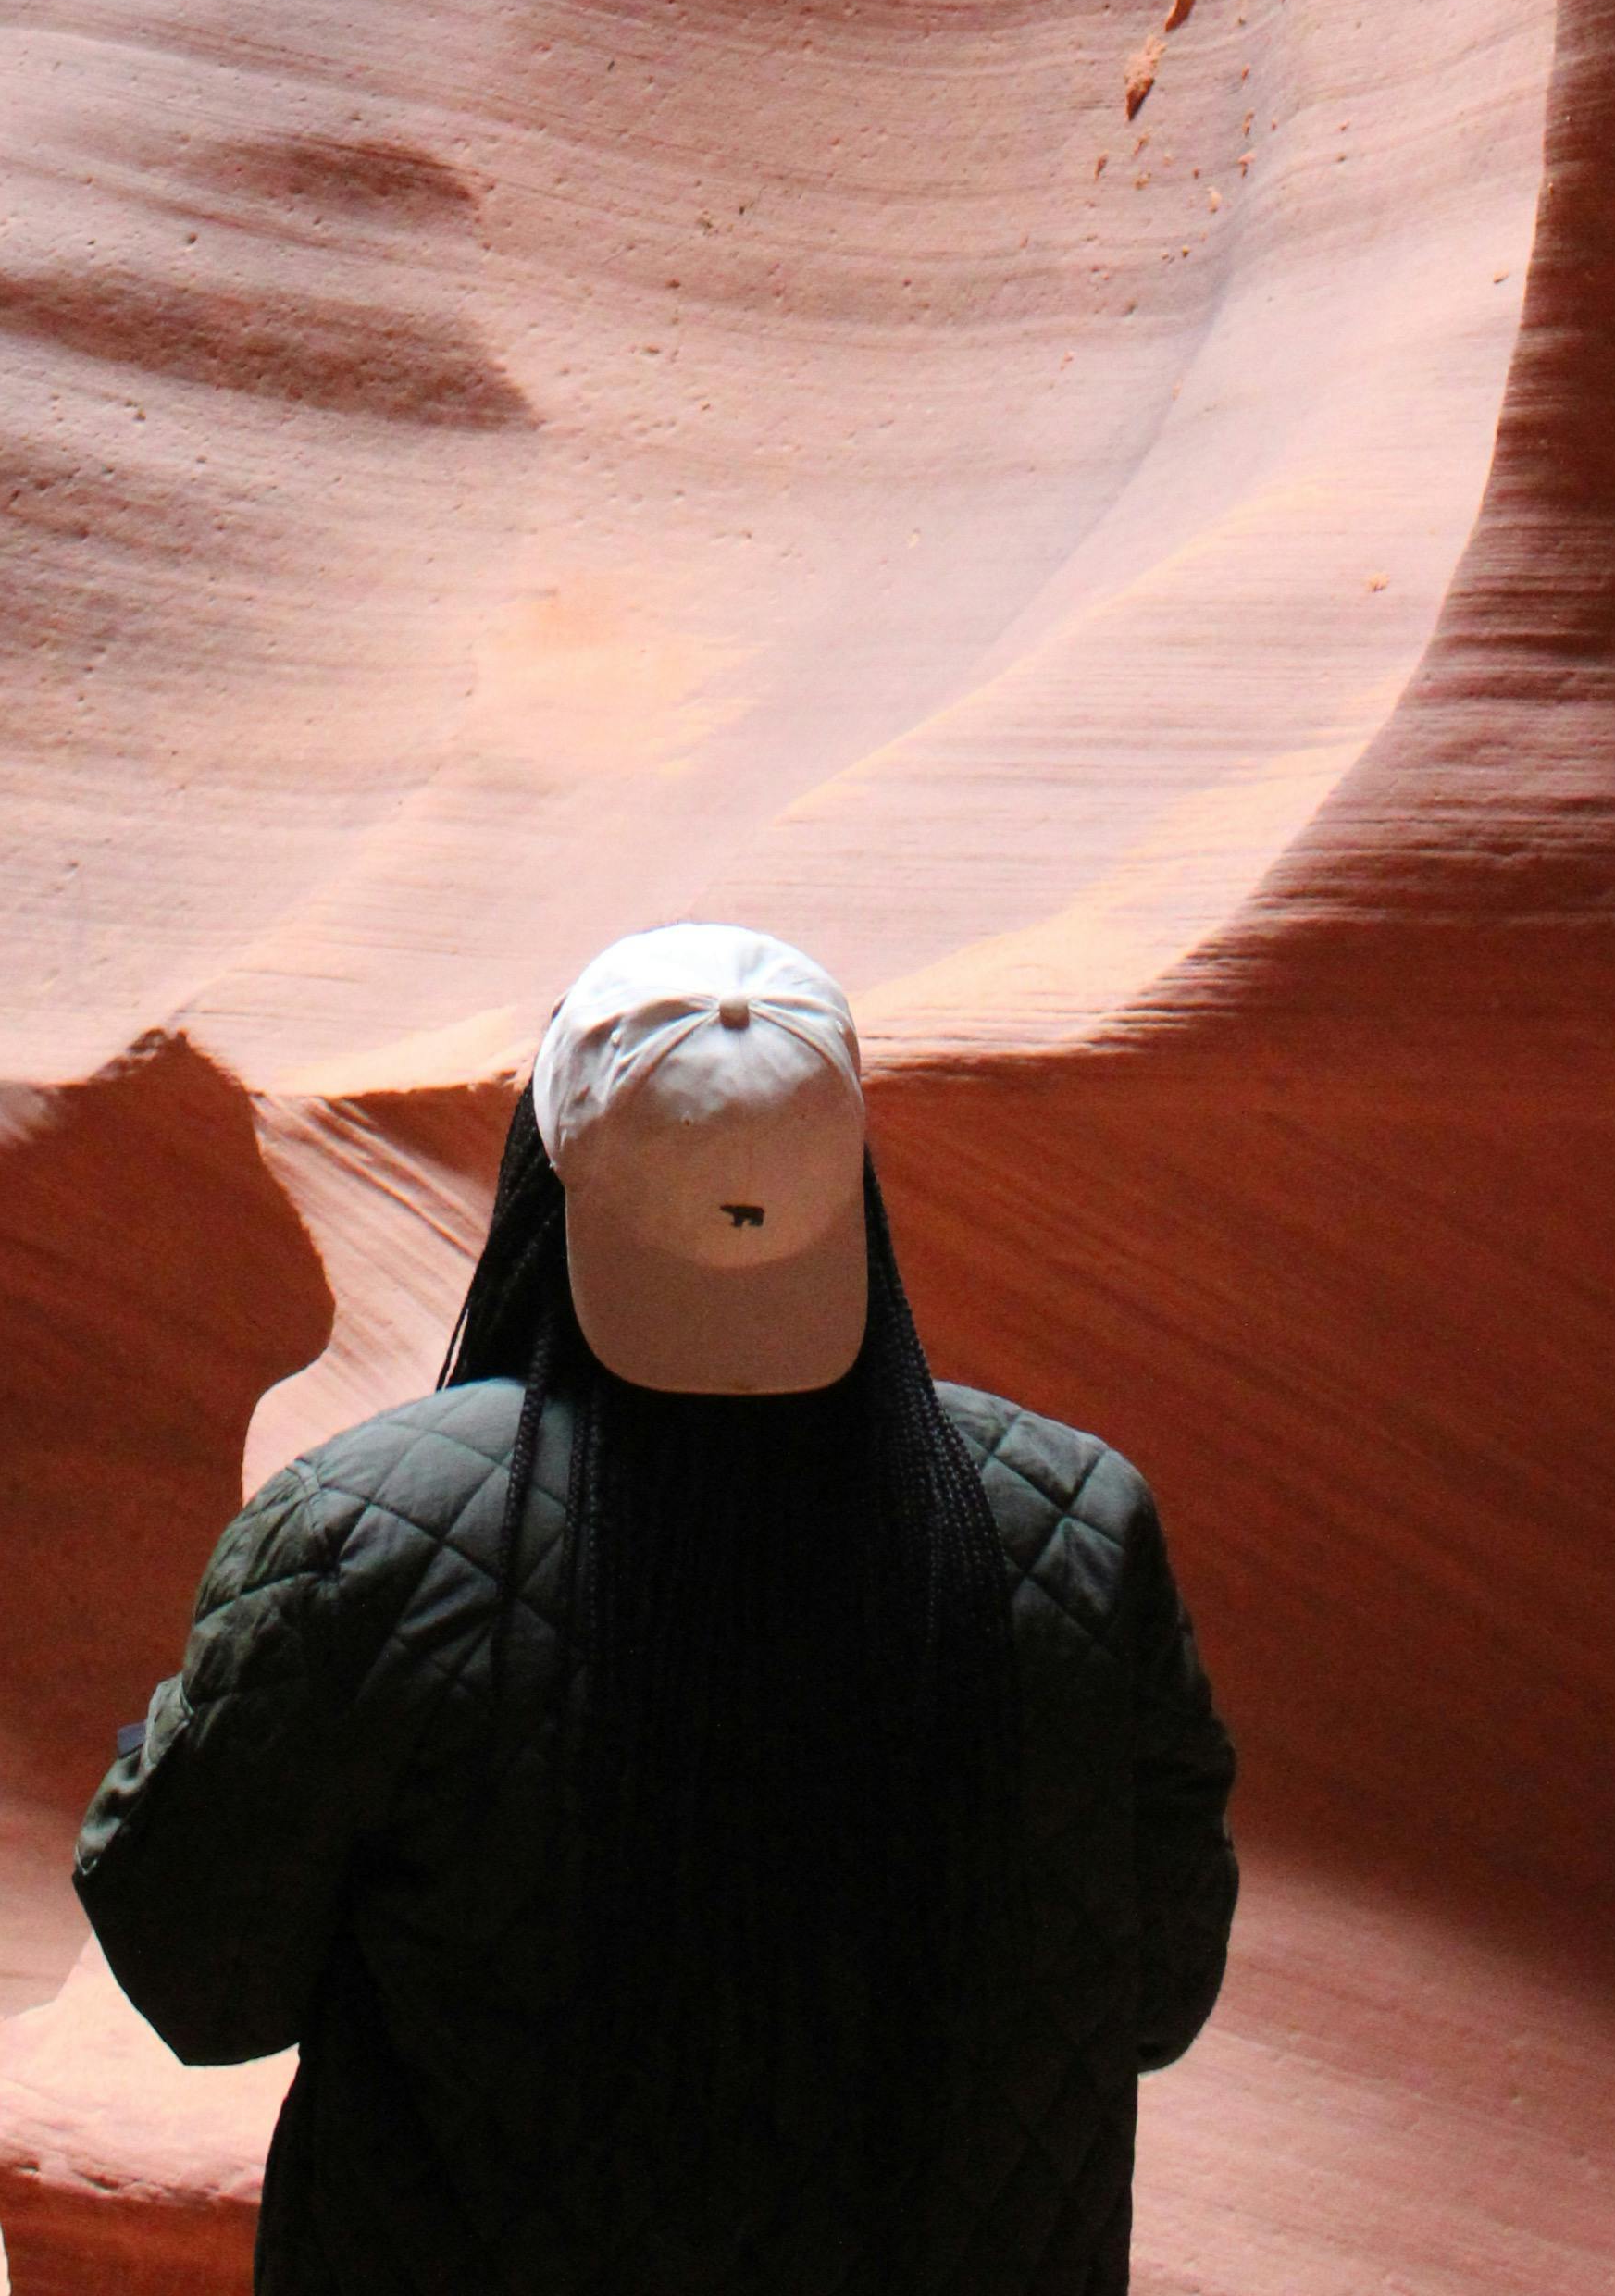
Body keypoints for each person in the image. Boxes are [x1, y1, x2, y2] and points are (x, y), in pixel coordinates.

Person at [74, 919, 1237, 2293]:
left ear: (547, 1174)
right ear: (848, 1177)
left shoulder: (358, 1539)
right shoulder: (1078, 1525)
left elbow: (202, 1981)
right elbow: (1156, 1998)